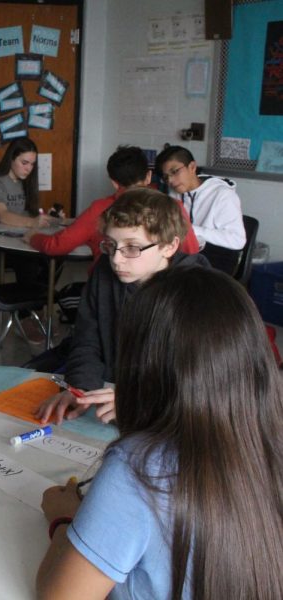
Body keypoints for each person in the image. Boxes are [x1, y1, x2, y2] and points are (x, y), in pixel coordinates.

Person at [36, 266, 283, 599]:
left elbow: (61, 596)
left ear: (142, 363)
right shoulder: (268, 441)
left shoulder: (139, 465)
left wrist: (65, 518)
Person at [36, 188, 209, 425]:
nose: (116, 259)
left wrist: (136, 400)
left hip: (170, 414)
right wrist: (81, 388)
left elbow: (199, 379)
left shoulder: (198, 292)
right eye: (111, 245)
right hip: (114, 397)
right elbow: (88, 338)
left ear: (169, 246)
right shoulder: (104, 272)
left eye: (132, 248)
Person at [25, 145, 199, 269]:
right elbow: (191, 253)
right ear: (148, 176)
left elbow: (57, 245)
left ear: (114, 183)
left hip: (109, 290)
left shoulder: (100, 209)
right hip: (159, 295)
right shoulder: (173, 206)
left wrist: (33, 236)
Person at [0, 137, 55, 341]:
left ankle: (35, 306)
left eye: (32, 164)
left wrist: (48, 218)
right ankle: (25, 315)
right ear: (11, 158)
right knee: (28, 261)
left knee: (53, 256)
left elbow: (29, 216)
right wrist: (33, 223)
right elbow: (3, 216)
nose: (29, 168)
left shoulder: (26, 183)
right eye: (24, 162)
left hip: (15, 240)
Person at [155, 145, 246, 275]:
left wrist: (192, 230)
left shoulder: (222, 194)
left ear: (192, 167)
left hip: (216, 257)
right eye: (166, 177)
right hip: (184, 253)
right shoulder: (173, 192)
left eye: (175, 172)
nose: (170, 180)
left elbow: (238, 240)